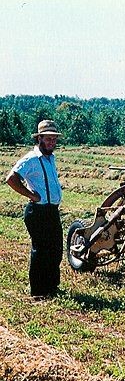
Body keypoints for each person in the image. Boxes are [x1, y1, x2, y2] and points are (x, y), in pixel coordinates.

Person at [6, 120, 64, 300]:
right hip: (37, 212)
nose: (52, 143)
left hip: (52, 211)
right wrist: (31, 195)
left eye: (54, 139)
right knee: (41, 250)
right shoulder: (31, 158)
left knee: (55, 249)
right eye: (48, 139)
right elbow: (11, 179)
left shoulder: (50, 158)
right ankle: (38, 292)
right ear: (39, 138)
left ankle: (52, 287)